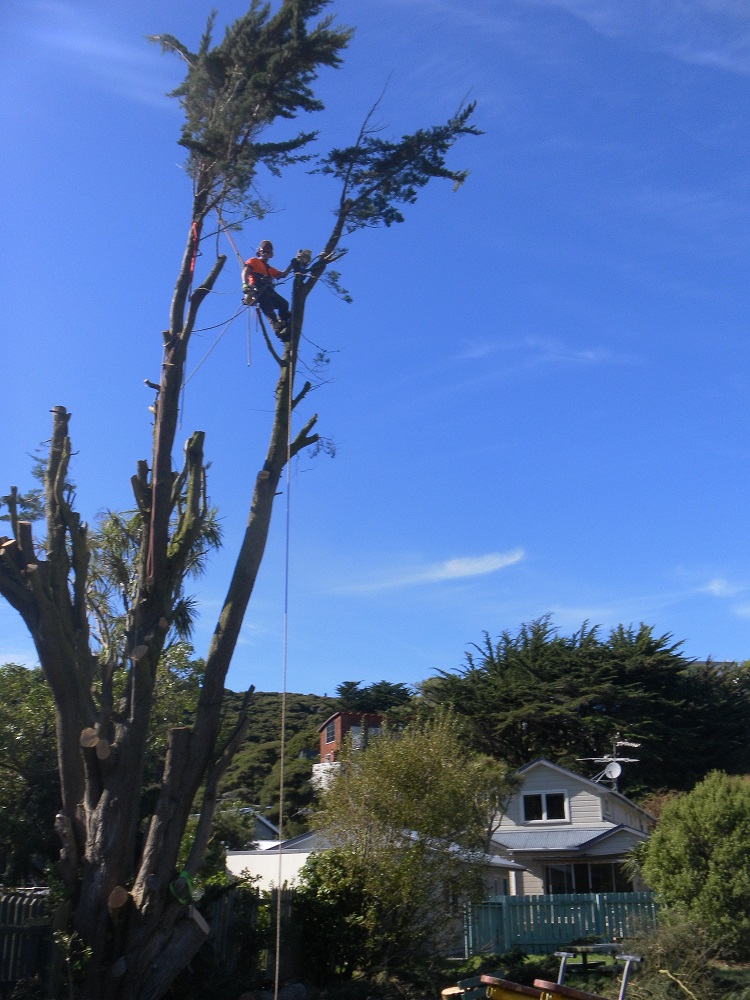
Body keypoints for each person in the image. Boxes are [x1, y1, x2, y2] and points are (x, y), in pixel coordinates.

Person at [242, 240, 292, 338]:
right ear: (259, 252)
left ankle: (284, 322)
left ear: (271, 255)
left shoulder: (270, 269)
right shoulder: (254, 261)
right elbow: (245, 272)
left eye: (267, 252)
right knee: (267, 305)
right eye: (263, 251)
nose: (265, 254)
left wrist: (292, 264)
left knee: (284, 304)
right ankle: (277, 329)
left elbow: (282, 275)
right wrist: (244, 284)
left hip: (269, 291)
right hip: (258, 289)